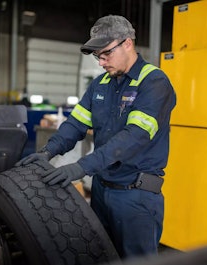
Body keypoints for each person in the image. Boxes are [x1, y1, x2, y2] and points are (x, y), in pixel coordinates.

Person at [16, 15, 176, 259]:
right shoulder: (100, 84)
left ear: (128, 43)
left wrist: (81, 167)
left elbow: (133, 138)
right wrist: (47, 152)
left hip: (135, 196)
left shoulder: (154, 82)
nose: (101, 63)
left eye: (106, 54)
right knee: (100, 256)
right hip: (102, 191)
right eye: (97, 56)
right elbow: (75, 124)